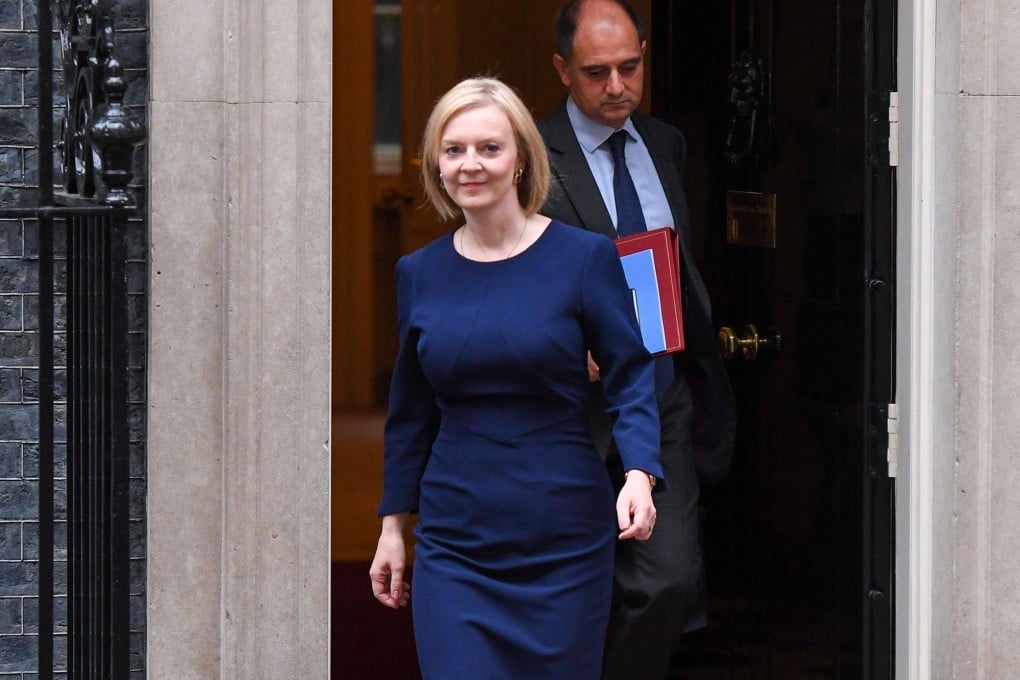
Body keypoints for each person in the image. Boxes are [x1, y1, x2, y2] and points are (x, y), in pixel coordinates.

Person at [369, 76, 666, 679]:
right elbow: (410, 413)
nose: (470, 165)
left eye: (489, 148)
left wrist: (640, 472)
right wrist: (392, 527)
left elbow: (631, 375)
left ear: (521, 160)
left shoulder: (585, 258)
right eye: (453, 150)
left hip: (564, 540)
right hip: (456, 543)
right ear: (436, 165)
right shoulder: (418, 273)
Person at [537, 1, 737, 678]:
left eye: (631, 66)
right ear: (563, 70)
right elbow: (501, 274)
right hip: (569, 412)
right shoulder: (529, 156)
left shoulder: (665, 144)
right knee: (567, 596)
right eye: (597, 72)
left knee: (669, 580)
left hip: (658, 394)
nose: (617, 85)